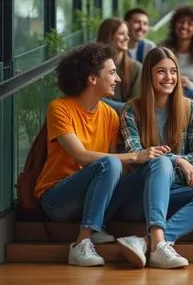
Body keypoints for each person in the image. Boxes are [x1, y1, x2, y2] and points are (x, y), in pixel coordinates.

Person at [34, 42, 160, 267]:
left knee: (119, 167)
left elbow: (113, 171)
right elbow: (80, 156)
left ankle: (94, 225)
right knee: (110, 163)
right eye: (112, 73)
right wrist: (135, 156)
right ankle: (82, 243)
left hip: (92, 198)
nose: (118, 79)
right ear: (92, 78)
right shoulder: (59, 108)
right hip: (57, 197)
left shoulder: (110, 115)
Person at [109, 47, 193, 269]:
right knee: (160, 162)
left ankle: (149, 242)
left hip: (170, 194)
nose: (168, 77)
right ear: (149, 74)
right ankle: (160, 243)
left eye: (173, 71)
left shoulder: (190, 108)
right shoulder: (132, 109)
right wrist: (179, 160)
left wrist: (181, 161)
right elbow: (139, 155)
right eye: (161, 71)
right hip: (136, 196)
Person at [161, 5, 193, 138]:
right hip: (165, 94)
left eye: (190, 23)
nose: (184, 26)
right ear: (174, 25)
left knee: (190, 96)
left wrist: (191, 85)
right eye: (181, 22)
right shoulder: (163, 47)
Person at [96, 17, 142, 113]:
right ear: (108, 37)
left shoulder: (136, 68)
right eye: (122, 34)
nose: (127, 38)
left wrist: (99, 101)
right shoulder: (93, 67)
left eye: (127, 34)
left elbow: (134, 109)